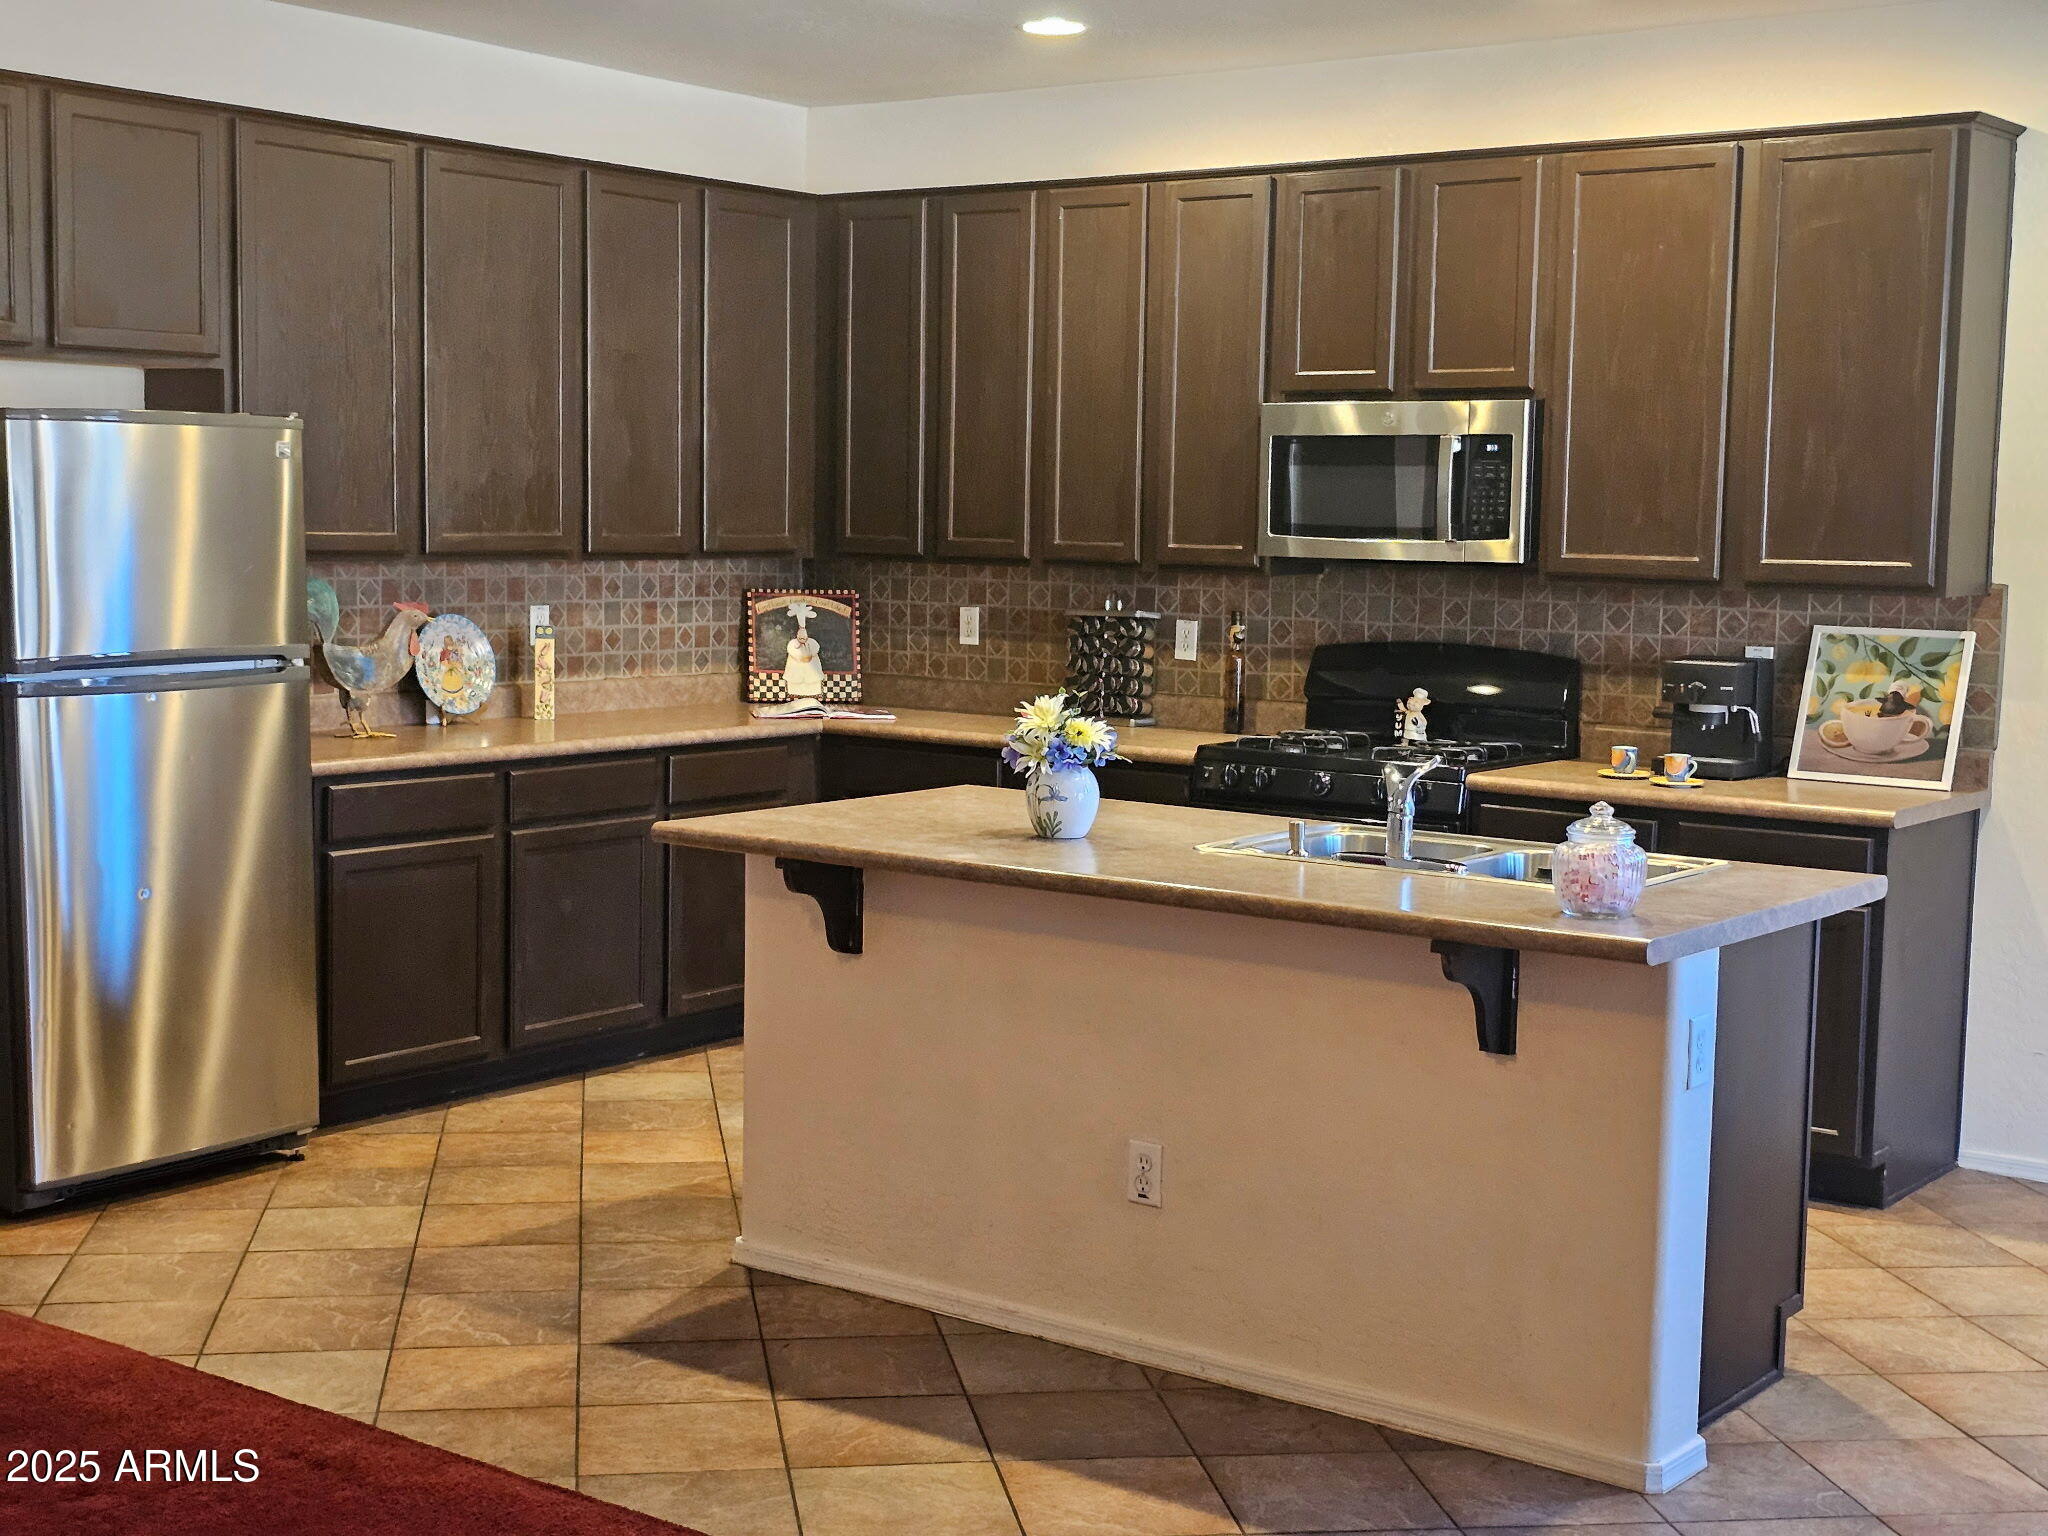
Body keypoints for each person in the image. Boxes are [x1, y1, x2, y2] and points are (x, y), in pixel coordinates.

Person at [782, 601, 826, 700]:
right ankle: (794, 693)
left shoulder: (812, 644)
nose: (802, 638)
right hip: (796, 665)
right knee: (795, 678)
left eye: (804, 636)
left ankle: (813, 693)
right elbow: (793, 652)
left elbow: (815, 650)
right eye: (800, 636)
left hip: (810, 666)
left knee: (812, 678)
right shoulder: (793, 645)